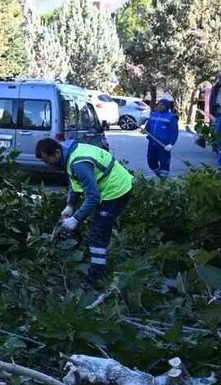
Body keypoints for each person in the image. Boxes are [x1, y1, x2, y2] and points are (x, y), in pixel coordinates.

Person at [35, 137, 134, 285]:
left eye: (47, 160)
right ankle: (96, 261)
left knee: (97, 233)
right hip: (108, 188)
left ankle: (96, 277)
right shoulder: (68, 153)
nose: (46, 164)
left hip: (116, 190)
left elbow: (93, 197)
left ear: (56, 152)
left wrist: (75, 220)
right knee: (97, 228)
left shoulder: (78, 163)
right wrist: (70, 205)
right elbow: (75, 182)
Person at [143, 97, 179, 179]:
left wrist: (171, 144)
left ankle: (164, 181)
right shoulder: (153, 114)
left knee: (164, 162)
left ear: (166, 106)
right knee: (151, 161)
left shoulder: (171, 117)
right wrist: (145, 130)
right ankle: (159, 175)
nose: (160, 106)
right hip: (152, 142)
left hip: (163, 145)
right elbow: (148, 127)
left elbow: (174, 132)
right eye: (159, 104)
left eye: (162, 105)